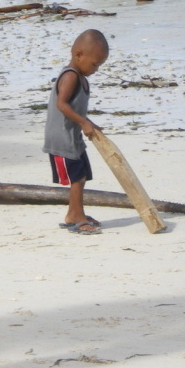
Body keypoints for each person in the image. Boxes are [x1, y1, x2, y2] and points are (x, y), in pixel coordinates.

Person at [43, 29, 110, 235]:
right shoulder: (70, 76)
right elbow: (62, 105)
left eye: (99, 65)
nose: (96, 69)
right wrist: (83, 122)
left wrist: (88, 122)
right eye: (94, 64)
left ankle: (74, 213)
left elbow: (76, 109)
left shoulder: (81, 78)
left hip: (73, 138)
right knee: (76, 179)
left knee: (81, 177)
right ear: (79, 54)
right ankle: (76, 217)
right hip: (62, 139)